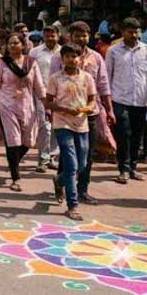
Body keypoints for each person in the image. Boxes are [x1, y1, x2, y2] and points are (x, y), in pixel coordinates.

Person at [49, 21, 115, 206]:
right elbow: (51, 86)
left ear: (89, 36)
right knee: (67, 155)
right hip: (64, 115)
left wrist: (109, 110)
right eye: (77, 35)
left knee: (85, 157)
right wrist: (51, 110)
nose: (81, 38)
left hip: (90, 114)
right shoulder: (58, 57)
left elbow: (103, 85)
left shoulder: (96, 58)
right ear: (70, 36)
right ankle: (66, 192)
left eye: (84, 35)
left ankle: (80, 189)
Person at [0, 33, 45, 192]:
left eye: (16, 43)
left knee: (28, 142)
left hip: (27, 106)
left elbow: (39, 87)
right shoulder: (2, 63)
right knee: (13, 140)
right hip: (7, 104)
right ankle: (15, 177)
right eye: (10, 43)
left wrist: (47, 105)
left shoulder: (31, 63)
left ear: (23, 45)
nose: (12, 45)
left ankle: (14, 161)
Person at [46, 44, 97, 221]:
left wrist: (87, 109)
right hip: (62, 124)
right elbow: (49, 102)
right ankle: (72, 205)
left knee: (81, 165)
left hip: (82, 124)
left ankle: (59, 181)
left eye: (74, 56)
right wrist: (64, 109)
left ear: (79, 58)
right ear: (62, 59)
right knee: (71, 164)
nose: (71, 59)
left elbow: (92, 100)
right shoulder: (55, 78)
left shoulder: (87, 78)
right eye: (67, 56)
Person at [104, 17, 147, 183]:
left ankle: (133, 168)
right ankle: (123, 169)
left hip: (141, 100)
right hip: (120, 99)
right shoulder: (113, 51)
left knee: (137, 135)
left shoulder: (145, 50)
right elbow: (107, 76)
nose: (135, 35)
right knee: (124, 134)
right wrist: (107, 102)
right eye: (131, 32)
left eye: (137, 31)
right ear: (123, 32)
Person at [30, 25, 62, 172]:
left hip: (61, 95)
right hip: (41, 94)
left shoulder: (64, 52)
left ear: (58, 35)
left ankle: (53, 157)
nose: (50, 38)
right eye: (47, 35)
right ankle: (43, 158)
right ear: (43, 36)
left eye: (53, 35)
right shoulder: (35, 52)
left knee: (57, 126)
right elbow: (30, 73)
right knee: (44, 126)